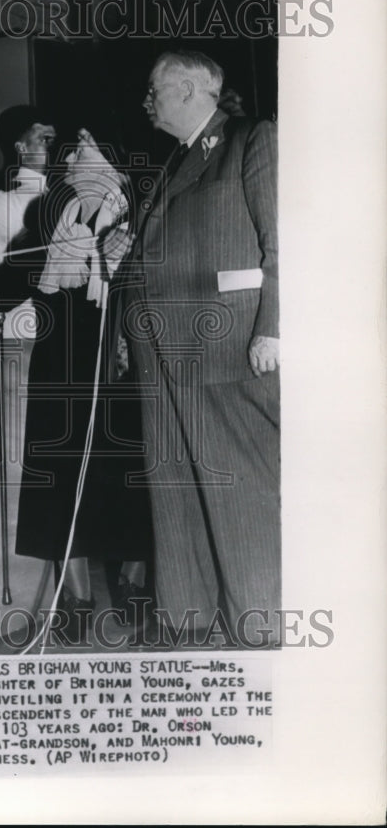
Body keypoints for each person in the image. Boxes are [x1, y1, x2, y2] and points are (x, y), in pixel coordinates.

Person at [0, 128, 152, 641]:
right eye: (75, 155)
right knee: (61, 476)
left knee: (127, 473)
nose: (83, 154)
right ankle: (77, 591)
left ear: (116, 168)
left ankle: (135, 580)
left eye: (95, 150)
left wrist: (121, 260)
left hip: (119, 366)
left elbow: (157, 278)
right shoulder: (51, 212)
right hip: (60, 362)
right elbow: (22, 267)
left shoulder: (141, 211)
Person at [118, 48, 279, 646]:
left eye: (154, 89)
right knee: (176, 488)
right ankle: (191, 619)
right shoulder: (173, 164)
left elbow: (280, 241)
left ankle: (259, 622)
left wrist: (274, 327)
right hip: (161, 350)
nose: (147, 100)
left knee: (241, 488)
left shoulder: (251, 140)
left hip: (227, 342)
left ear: (188, 89)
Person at [0, 106, 56, 271]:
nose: (52, 146)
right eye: (44, 140)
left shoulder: (58, 193)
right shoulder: (4, 201)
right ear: (22, 148)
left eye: (54, 140)